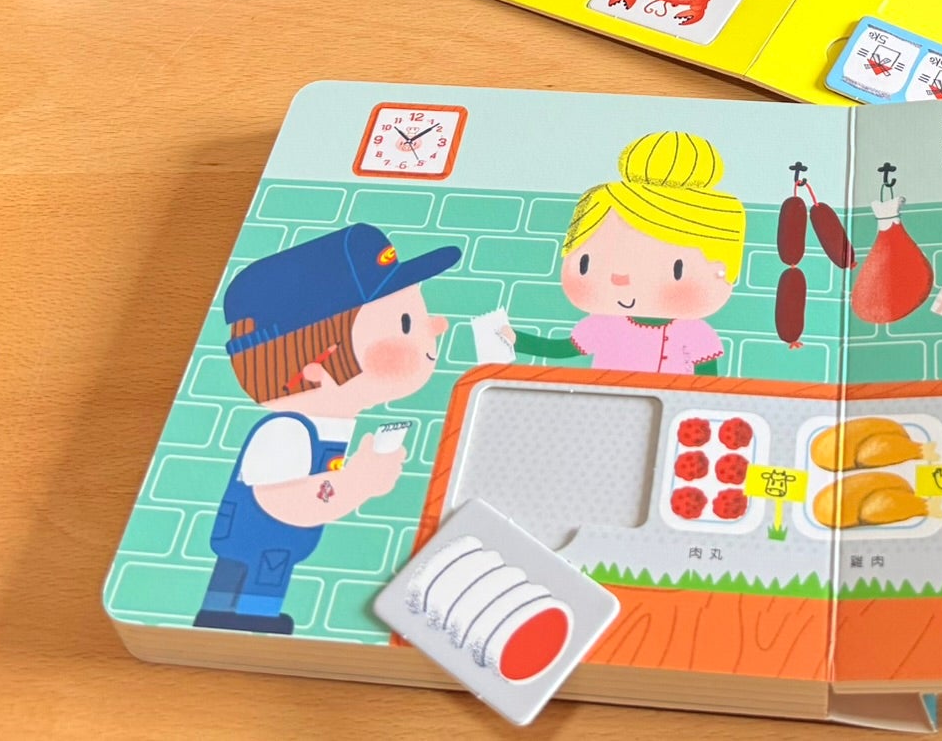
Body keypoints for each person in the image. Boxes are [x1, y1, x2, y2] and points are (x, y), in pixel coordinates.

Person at [191, 224, 457, 635]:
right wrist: (358, 483)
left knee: (266, 580)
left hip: (281, 546)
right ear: (319, 362)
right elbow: (284, 501)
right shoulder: (286, 430)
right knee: (249, 591)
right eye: (406, 322)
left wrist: (363, 474)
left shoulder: (332, 425)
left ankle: (249, 617)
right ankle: (243, 622)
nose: (437, 326)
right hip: (256, 544)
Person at [499, 130, 745, 375]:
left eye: (676, 269)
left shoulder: (696, 333)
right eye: (585, 263)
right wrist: (515, 339)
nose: (621, 278)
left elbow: (708, 383)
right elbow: (560, 349)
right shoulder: (602, 324)